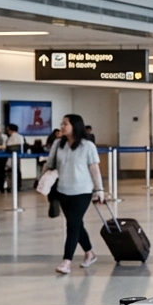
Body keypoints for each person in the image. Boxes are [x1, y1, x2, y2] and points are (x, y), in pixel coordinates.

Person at [46, 114, 106, 275]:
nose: (62, 126)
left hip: (83, 191)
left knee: (72, 225)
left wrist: (99, 190)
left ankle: (67, 261)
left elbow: (95, 170)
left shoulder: (88, 146)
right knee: (77, 224)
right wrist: (44, 182)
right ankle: (90, 253)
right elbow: (50, 164)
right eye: (62, 123)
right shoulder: (58, 144)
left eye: (65, 124)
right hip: (63, 190)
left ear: (75, 126)